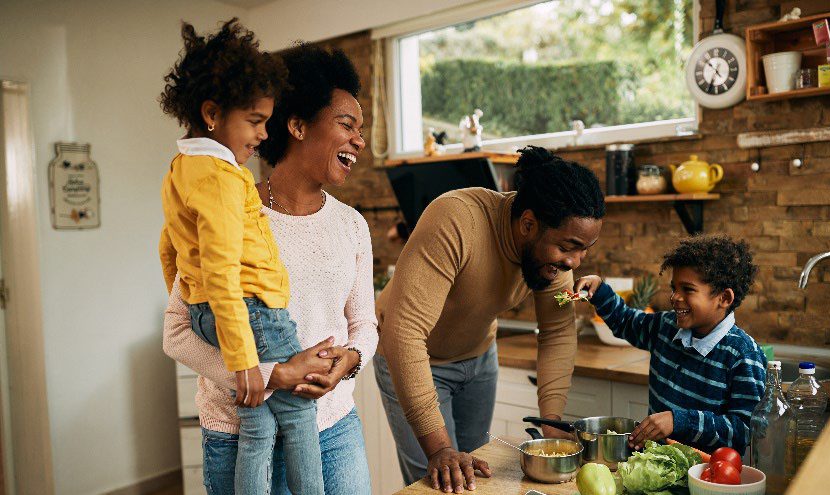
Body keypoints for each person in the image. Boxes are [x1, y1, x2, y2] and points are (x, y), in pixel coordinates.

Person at [163, 43, 376, 494]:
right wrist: (269, 375)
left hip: (334, 428)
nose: (360, 140)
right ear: (297, 126)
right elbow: (178, 331)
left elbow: (364, 323)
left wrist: (351, 360)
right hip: (238, 435)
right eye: (347, 125)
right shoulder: (229, 209)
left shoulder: (351, 225)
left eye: (362, 129)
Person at [375, 146, 606, 492]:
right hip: (412, 359)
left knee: (477, 479)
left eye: (583, 249)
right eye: (568, 247)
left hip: (479, 361)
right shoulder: (456, 220)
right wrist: (439, 449)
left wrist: (552, 422)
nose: (575, 262)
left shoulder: (555, 256)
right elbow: (404, 332)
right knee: (441, 482)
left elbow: (557, 331)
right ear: (528, 223)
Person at [574, 234, 767, 453]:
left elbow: (745, 431)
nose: (675, 297)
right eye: (674, 288)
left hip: (707, 477)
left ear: (724, 298)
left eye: (688, 289)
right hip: (654, 465)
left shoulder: (743, 355)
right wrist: (599, 291)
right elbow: (626, 321)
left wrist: (679, 421)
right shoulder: (665, 327)